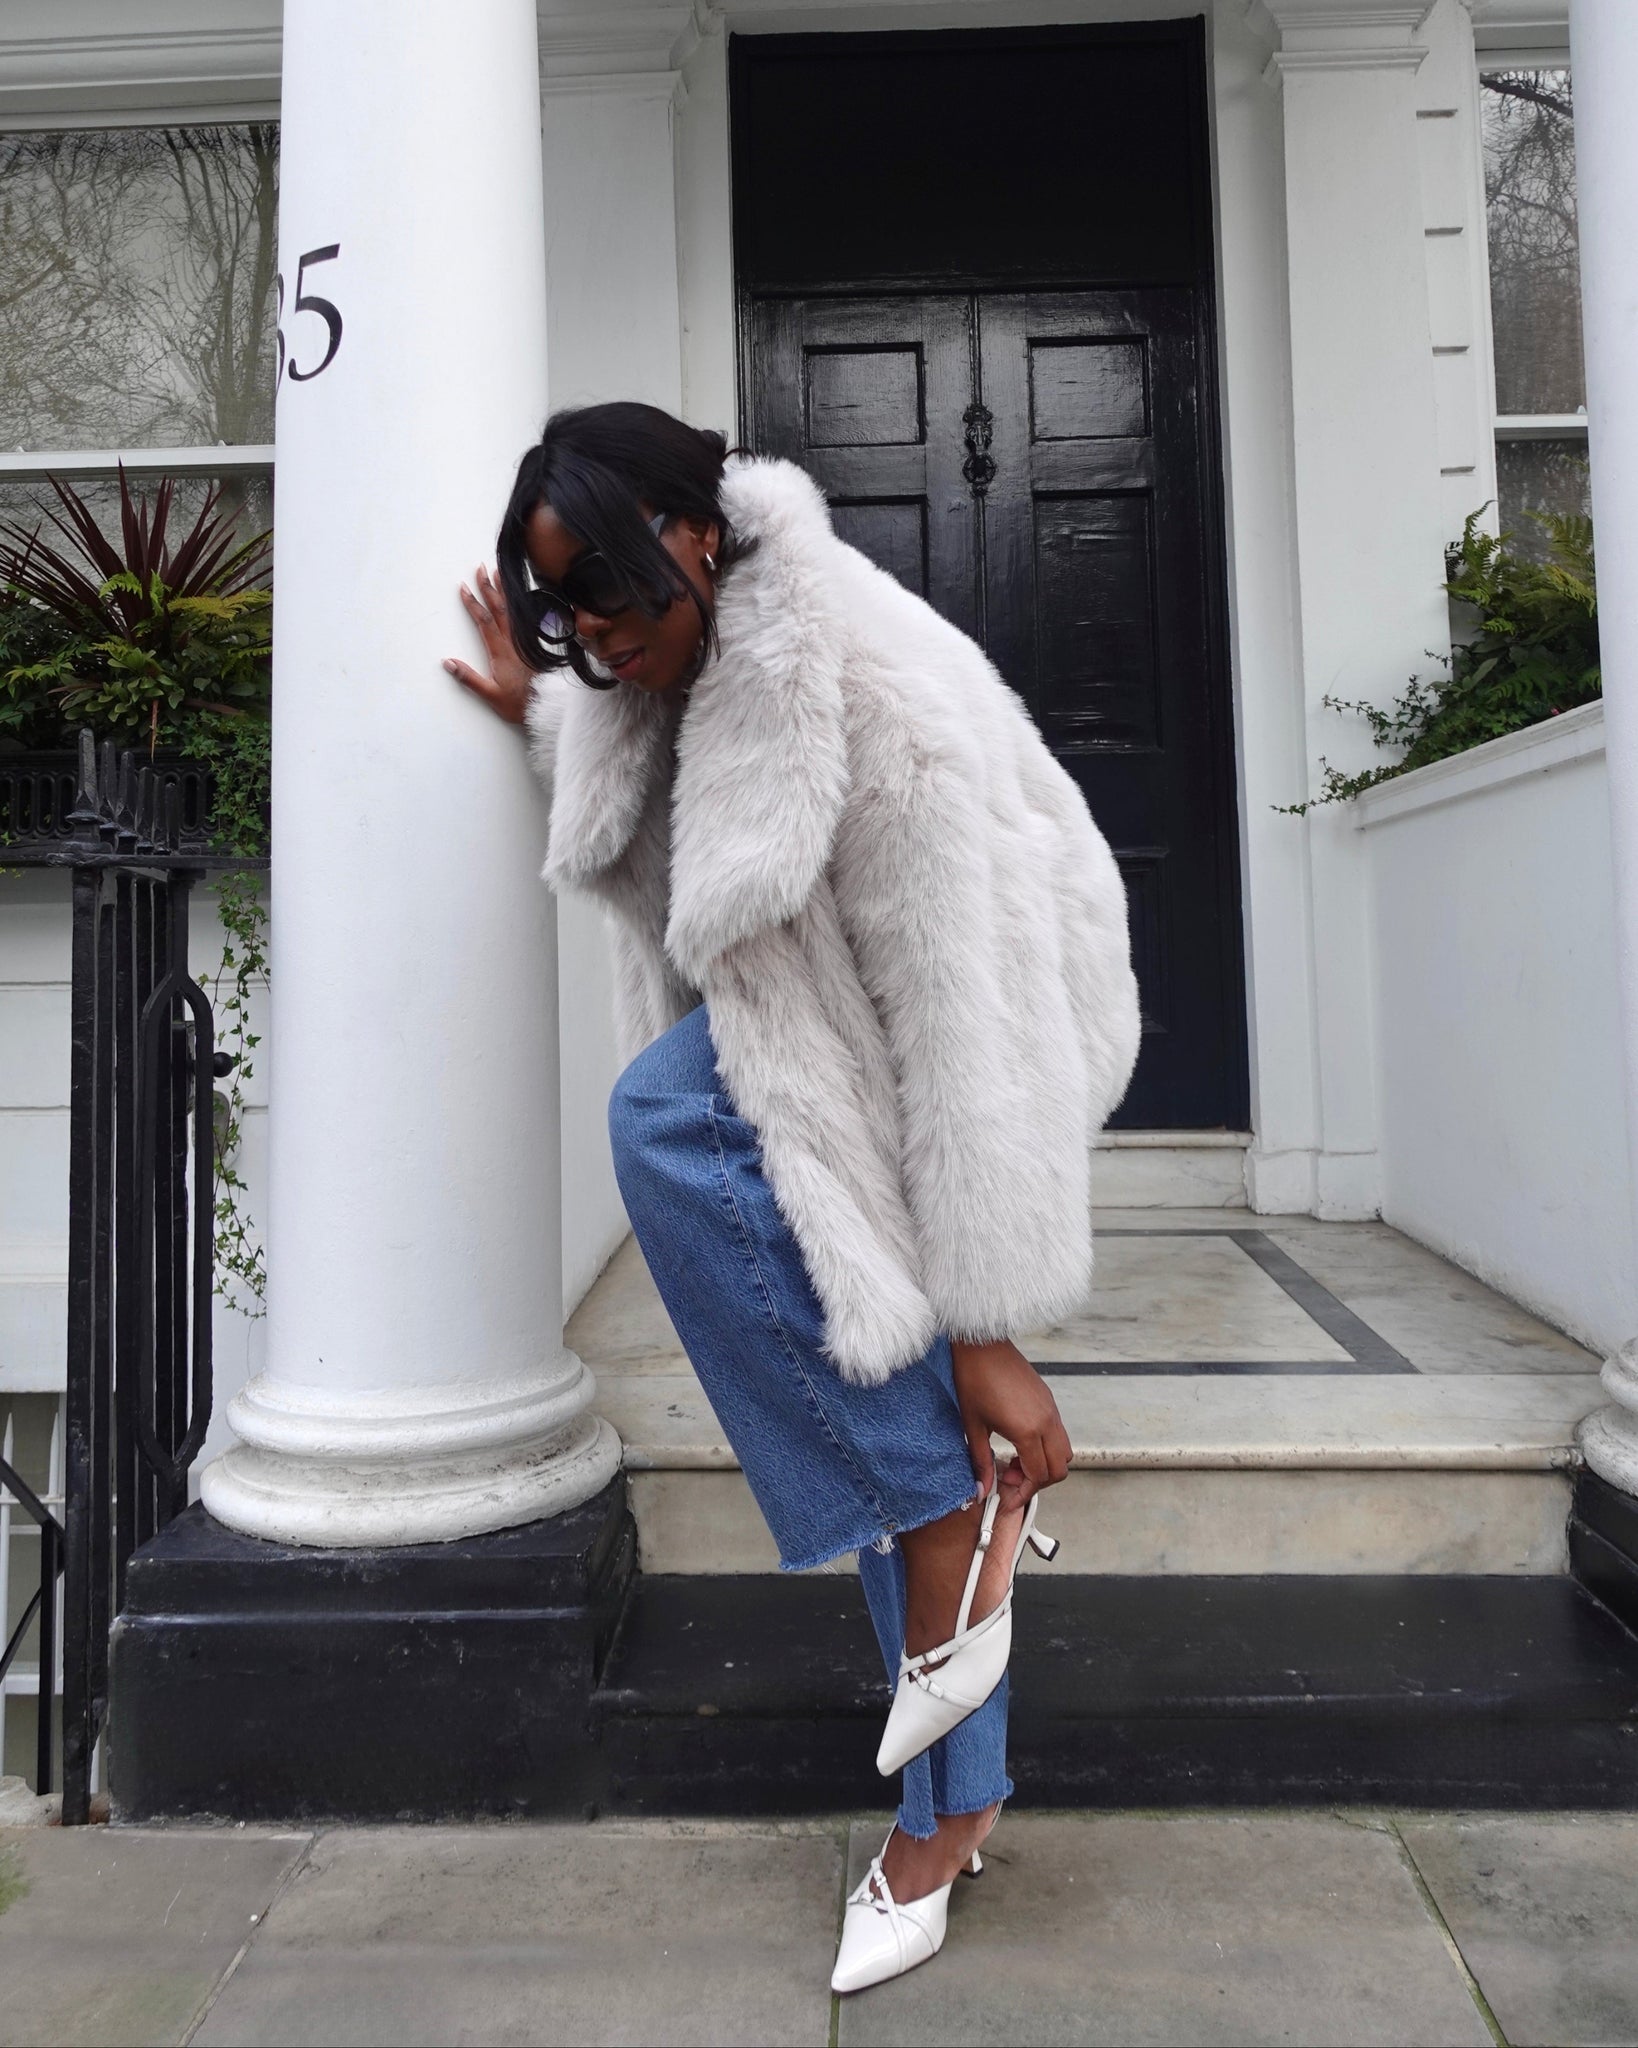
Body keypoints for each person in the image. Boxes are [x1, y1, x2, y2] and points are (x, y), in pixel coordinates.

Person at [446, 400, 1141, 1992]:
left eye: (608, 591)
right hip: (829, 1049)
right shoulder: (665, 663)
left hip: (974, 1037)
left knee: (668, 1129)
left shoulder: (869, 690)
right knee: (887, 1442)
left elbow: (976, 1026)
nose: (592, 636)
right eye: (564, 607)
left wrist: (988, 1323)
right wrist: (539, 713)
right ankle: (952, 1804)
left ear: (697, 535)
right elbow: (687, 821)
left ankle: (941, 1747)